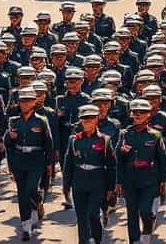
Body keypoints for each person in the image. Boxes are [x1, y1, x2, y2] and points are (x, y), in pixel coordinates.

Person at [115, 98, 166, 244]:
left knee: (146, 211)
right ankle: (134, 240)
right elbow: (118, 159)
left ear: (148, 115)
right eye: (135, 113)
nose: (138, 115)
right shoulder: (124, 134)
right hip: (129, 179)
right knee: (132, 213)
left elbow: (162, 159)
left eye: (142, 113)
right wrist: (118, 181)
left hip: (149, 179)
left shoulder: (155, 135)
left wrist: (164, 180)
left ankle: (147, 231)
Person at [4, 87, 53, 240]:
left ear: (34, 102)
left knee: (31, 188)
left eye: (28, 101)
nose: (25, 104)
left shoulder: (41, 121)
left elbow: (48, 144)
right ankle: (26, 226)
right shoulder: (14, 121)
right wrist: (9, 137)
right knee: (22, 193)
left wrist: (49, 164)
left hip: (36, 160)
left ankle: (38, 202)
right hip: (19, 160)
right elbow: (8, 145)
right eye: (22, 101)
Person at [63, 103, 115, 244]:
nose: (87, 122)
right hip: (79, 181)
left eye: (91, 118)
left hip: (97, 181)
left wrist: (111, 188)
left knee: (93, 214)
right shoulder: (74, 140)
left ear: (97, 119)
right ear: (80, 120)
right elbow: (68, 164)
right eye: (84, 119)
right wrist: (66, 185)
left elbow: (111, 166)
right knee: (81, 217)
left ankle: (96, 240)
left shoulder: (104, 140)